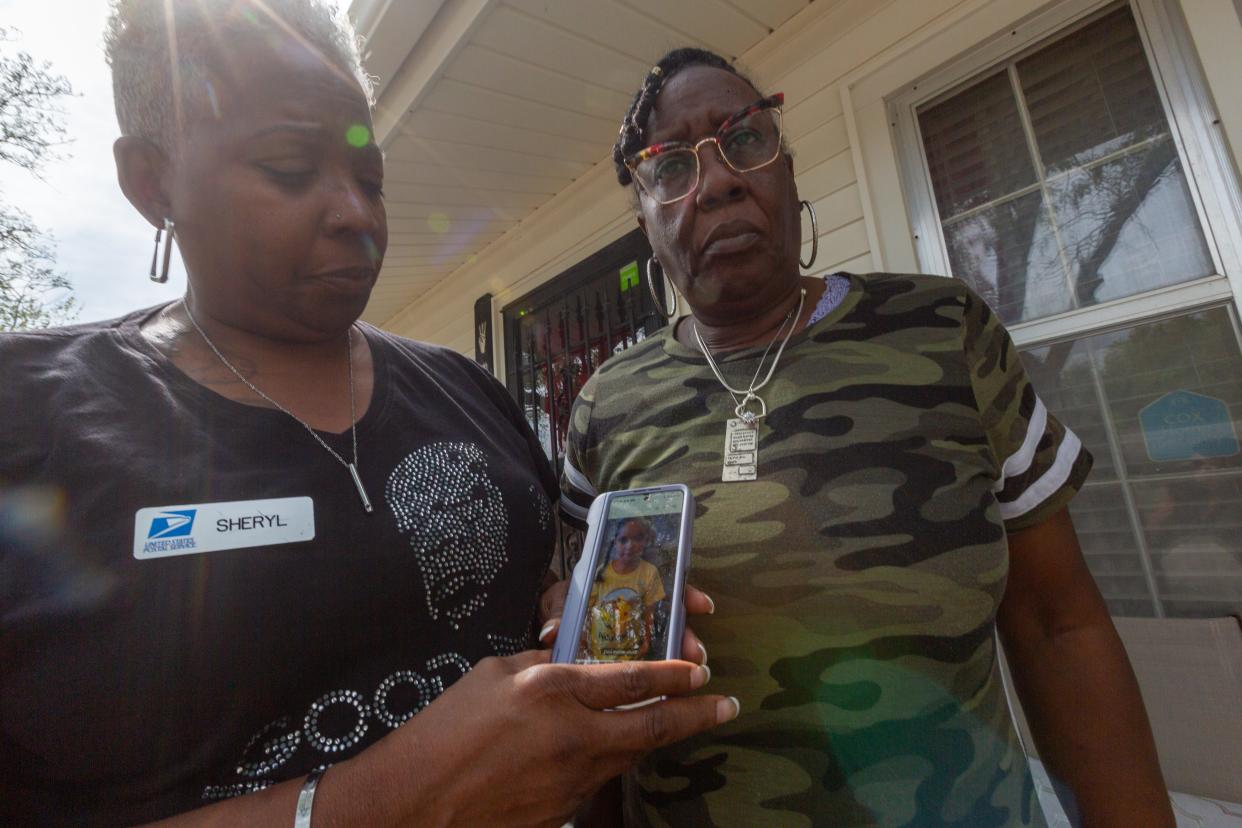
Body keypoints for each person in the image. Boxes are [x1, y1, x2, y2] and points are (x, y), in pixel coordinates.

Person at [0, 6, 734, 825]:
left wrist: (564, 615)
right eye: (287, 166)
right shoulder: (25, 419)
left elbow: (525, 604)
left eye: (371, 178)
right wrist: (387, 800)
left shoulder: (473, 393)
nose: (356, 213)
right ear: (152, 180)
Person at [559, 47, 1174, 826]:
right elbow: (599, 696)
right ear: (644, 223)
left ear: (788, 169)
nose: (716, 182)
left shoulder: (945, 334)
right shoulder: (604, 407)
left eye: (744, 139)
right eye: (670, 168)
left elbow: (1059, 626)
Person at [585, 518, 667, 661]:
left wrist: (647, 643)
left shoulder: (649, 572)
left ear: (646, 541)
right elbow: (588, 612)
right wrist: (586, 644)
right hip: (601, 650)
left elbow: (650, 613)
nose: (630, 546)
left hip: (631, 650)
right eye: (623, 540)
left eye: (637, 538)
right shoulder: (601, 572)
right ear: (615, 543)